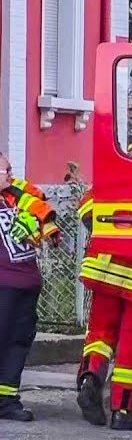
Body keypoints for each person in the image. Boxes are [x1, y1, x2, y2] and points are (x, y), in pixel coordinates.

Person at [75, 186, 132, 431]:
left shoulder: (119, 174)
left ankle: (89, 378)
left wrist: (112, 233)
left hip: (105, 266)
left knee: (99, 334)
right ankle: (125, 410)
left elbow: (86, 207)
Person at [0, 155, 61, 422]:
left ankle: (7, 401)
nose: (11, 175)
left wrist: (38, 227)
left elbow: (40, 217)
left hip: (26, 284)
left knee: (18, 342)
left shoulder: (17, 198)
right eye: (6, 170)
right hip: (3, 285)